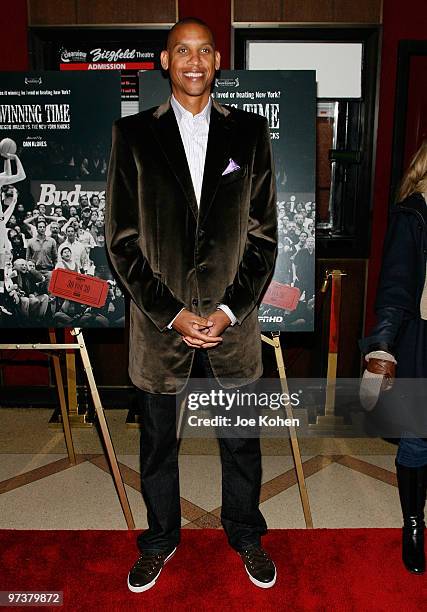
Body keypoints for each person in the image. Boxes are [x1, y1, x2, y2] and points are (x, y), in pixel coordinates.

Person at [105, 17, 277, 594]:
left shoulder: (250, 135)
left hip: (235, 325)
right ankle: (158, 542)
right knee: (156, 447)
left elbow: (263, 239)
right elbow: (121, 243)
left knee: (242, 443)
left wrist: (228, 310)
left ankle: (246, 532)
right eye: (183, 50)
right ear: (164, 60)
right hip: (160, 329)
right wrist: (173, 312)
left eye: (205, 50)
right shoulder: (132, 136)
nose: (195, 60)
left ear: (217, 58)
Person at [361, 140, 427, 574]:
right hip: (422, 338)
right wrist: (381, 348)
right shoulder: (413, 215)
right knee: (417, 437)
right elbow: (396, 289)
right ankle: (414, 523)